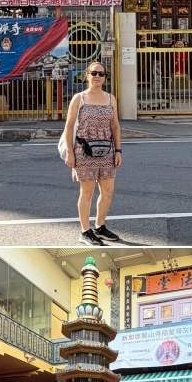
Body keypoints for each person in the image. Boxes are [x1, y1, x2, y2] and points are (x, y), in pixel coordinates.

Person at [63, 61, 123, 245]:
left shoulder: (110, 99)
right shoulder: (79, 98)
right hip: (84, 150)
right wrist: (70, 153)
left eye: (101, 74)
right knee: (87, 192)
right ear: (87, 75)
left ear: (105, 77)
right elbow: (69, 126)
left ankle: (100, 226)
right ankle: (85, 231)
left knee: (108, 191)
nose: (97, 77)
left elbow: (115, 126)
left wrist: (118, 150)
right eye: (94, 73)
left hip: (106, 150)